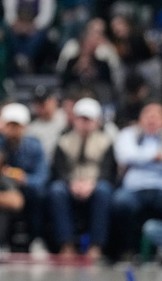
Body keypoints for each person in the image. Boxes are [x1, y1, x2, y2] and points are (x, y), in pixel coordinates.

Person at [111, 103, 162, 258]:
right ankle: (130, 249)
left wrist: (139, 159)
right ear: (140, 119)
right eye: (148, 116)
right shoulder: (128, 134)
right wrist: (157, 157)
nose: (151, 120)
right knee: (121, 202)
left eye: (156, 116)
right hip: (134, 188)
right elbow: (124, 156)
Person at [46, 98, 115, 261]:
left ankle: (95, 246)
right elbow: (59, 169)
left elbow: (108, 171)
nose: (84, 124)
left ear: (97, 121)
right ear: (74, 120)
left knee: (104, 191)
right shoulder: (63, 141)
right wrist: (71, 183)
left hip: (95, 183)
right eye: (81, 119)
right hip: (71, 183)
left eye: (88, 120)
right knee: (56, 191)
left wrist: (92, 183)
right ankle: (66, 244)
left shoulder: (105, 142)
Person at [0, 103, 50, 256]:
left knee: (40, 194)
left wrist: (24, 179)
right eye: (10, 126)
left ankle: (37, 239)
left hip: (28, 189)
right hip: (3, 189)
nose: (14, 131)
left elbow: (42, 176)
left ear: (24, 127)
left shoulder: (34, 146)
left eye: (17, 126)